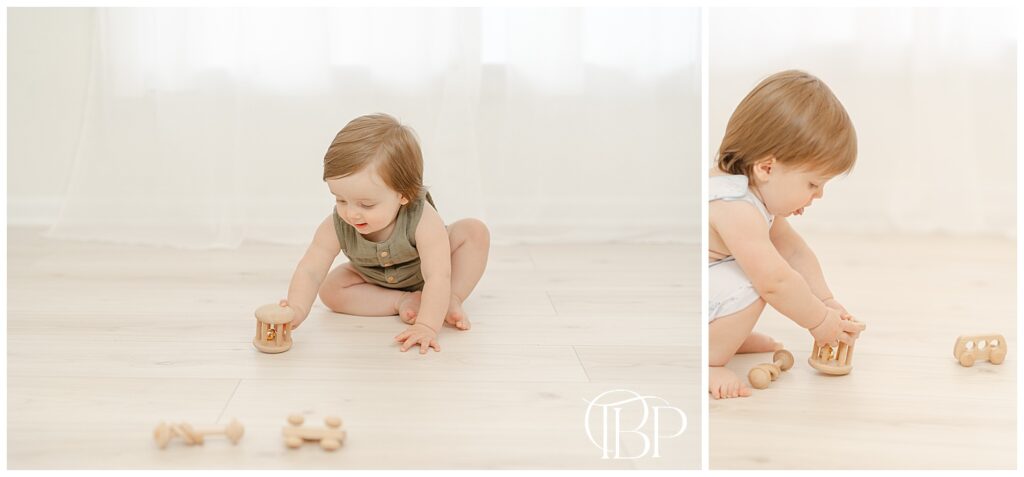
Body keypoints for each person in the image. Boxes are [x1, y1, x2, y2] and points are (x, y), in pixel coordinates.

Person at [709, 70, 865, 398]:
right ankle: (706, 358)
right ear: (766, 168)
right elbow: (777, 281)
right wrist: (818, 322)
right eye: (812, 184)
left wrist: (825, 300)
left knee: (770, 268)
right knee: (761, 280)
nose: (818, 195)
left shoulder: (753, 196)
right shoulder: (733, 206)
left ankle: (728, 334)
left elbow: (795, 253)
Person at [279, 113, 490, 354]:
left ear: (404, 195)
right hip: (374, 278)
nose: (351, 214)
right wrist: (296, 308)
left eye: (366, 205)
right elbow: (310, 269)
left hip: (429, 274)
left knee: (474, 232)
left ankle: (451, 299)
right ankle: (400, 301)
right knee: (330, 289)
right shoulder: (336, 224)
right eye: (340, 199)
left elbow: (437, 275)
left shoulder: (423, 219)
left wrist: (426, 325)